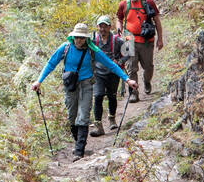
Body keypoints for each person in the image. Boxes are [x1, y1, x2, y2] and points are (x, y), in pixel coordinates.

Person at [32, 22, 135, 158]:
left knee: (84, 115)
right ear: (73, 37)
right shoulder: (65, 48)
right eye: (76, 37)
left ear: (86, 38)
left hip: (86, 85)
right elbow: (51, 63)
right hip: (70, 85)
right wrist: (39, 81)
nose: (78, 40)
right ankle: (78, 142)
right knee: (72, 116)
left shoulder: (92, 50)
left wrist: (127, 79)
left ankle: (79, 151)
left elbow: (110, 64)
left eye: (81, 37)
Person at [115, 0, 163, 102]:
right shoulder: (123, 4)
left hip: (147, 39)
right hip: (128, 38)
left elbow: (157, 20)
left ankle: (147, 81)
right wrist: (119, 30)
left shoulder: (148, 2)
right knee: (131, 67)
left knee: (148, 67)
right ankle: (134, 93)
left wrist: (160, 39)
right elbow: (119, 19)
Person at [91, 16, 125, 134]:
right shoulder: (93, 41)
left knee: (112, 96)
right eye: (101, 26)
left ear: (110, 27)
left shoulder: (117, 41)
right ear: (98, 27)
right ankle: (98, 126)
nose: (103, 29)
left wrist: (119, 62)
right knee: (98, 96)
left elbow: (128, 53)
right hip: (98, 74)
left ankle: (112, 119)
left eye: (105, 26)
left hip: (113, 73)